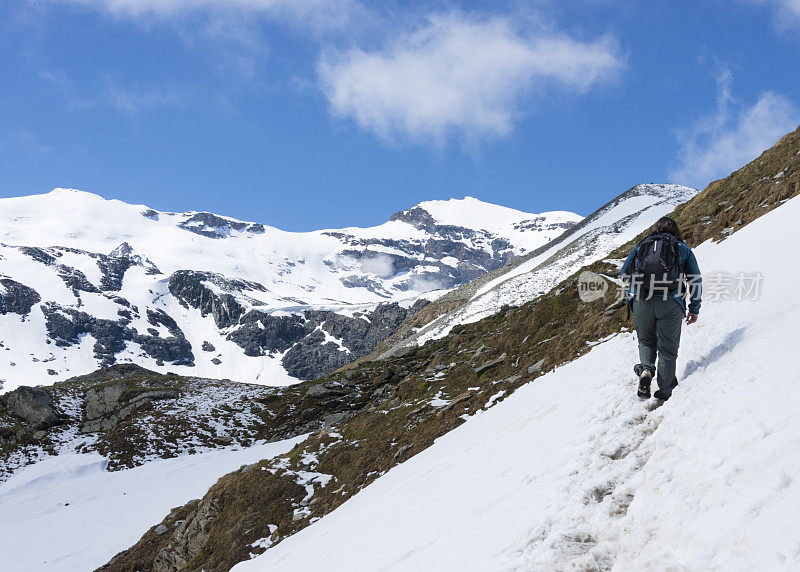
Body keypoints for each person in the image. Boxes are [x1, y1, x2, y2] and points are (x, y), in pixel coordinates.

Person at [620, 216, 702, 400]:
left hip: (641, 300)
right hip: (671, 303)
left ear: (656, 229)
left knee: (646, 341)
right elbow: (695, 280)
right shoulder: (682, 248)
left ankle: (646, 371)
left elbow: (624, 272)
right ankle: (665, 392)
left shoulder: (642, 245)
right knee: (667, 349)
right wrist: (694, 308)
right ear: (675, 230)